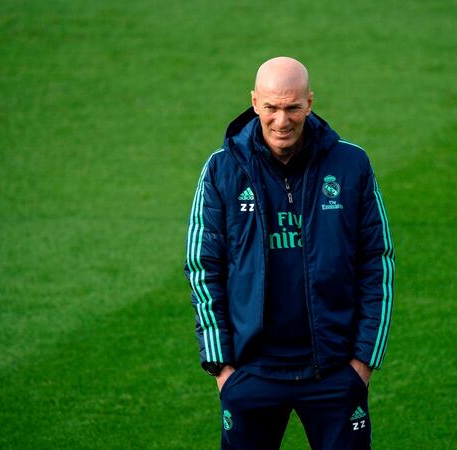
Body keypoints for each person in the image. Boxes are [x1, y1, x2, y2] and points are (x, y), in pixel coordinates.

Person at [184, 56, 394, 450]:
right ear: (254, 102)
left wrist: (363, 363)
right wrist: (222, 369)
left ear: (310, 103)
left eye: (293, 107)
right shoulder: (221, 170)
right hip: (251, 373)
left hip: (334, 373)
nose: (282, 120)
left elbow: (377, 261)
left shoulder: (351, 165)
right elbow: (203, 267)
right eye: (272, 107)